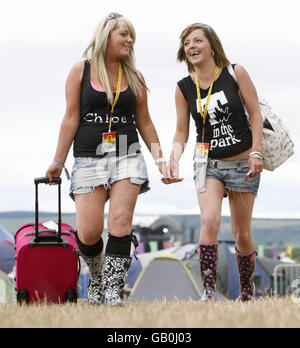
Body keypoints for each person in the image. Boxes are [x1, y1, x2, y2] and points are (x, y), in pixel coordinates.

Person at [46, 13, 173, 306]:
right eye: (124, 35)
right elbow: (70, 118)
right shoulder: (81, 70)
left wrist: (160, 160)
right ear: (106, 37)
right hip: (88, 156)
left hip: (127, 152)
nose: (129, 41)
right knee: (88, 232)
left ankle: (114, 288)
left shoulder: (136, 77)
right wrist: (57, 160)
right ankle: (98, 277)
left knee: (120, 222)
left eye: (132, 36)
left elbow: (145, 122)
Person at [166, 23, 263, 301]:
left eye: (197, 41)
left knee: (241, 233)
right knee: (209, 220)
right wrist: (173, 159)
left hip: (243, 161)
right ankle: (208, 293)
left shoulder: (235, 73)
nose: (191, 46)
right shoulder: (183, 87)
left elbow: (255, 115)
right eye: (186, 43)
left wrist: (256, 152)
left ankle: (246, 291)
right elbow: (182, 131)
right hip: (206, 163)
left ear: (211, 46)